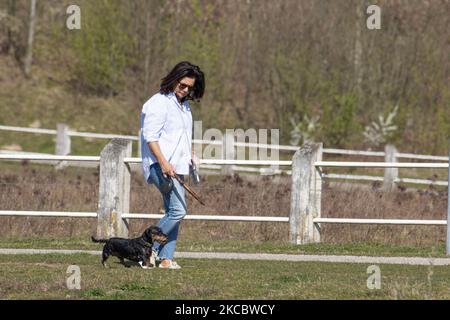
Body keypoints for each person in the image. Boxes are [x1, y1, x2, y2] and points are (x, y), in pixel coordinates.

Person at [140, 61, 205, 269]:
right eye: (182, 84)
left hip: (178, 166)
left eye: (189, 87)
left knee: (172, 212)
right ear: (174, 79)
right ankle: (146, 250)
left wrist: (191, 153)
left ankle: (166, 259)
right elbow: (150, 137)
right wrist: (163, 162)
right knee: (178, 211)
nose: (185, 90)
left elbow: (181, 135)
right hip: (163, 166)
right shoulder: (158, 103)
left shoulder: (183, 105)